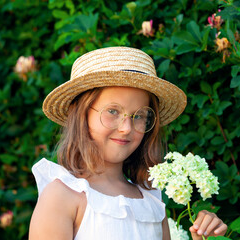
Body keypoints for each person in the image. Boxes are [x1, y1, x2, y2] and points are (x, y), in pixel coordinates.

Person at [29, 47, 227, 240]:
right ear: (82, 115)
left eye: (139, 115)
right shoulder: (62, 197)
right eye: (113, 111)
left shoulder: (151, 202)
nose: (126, 128)